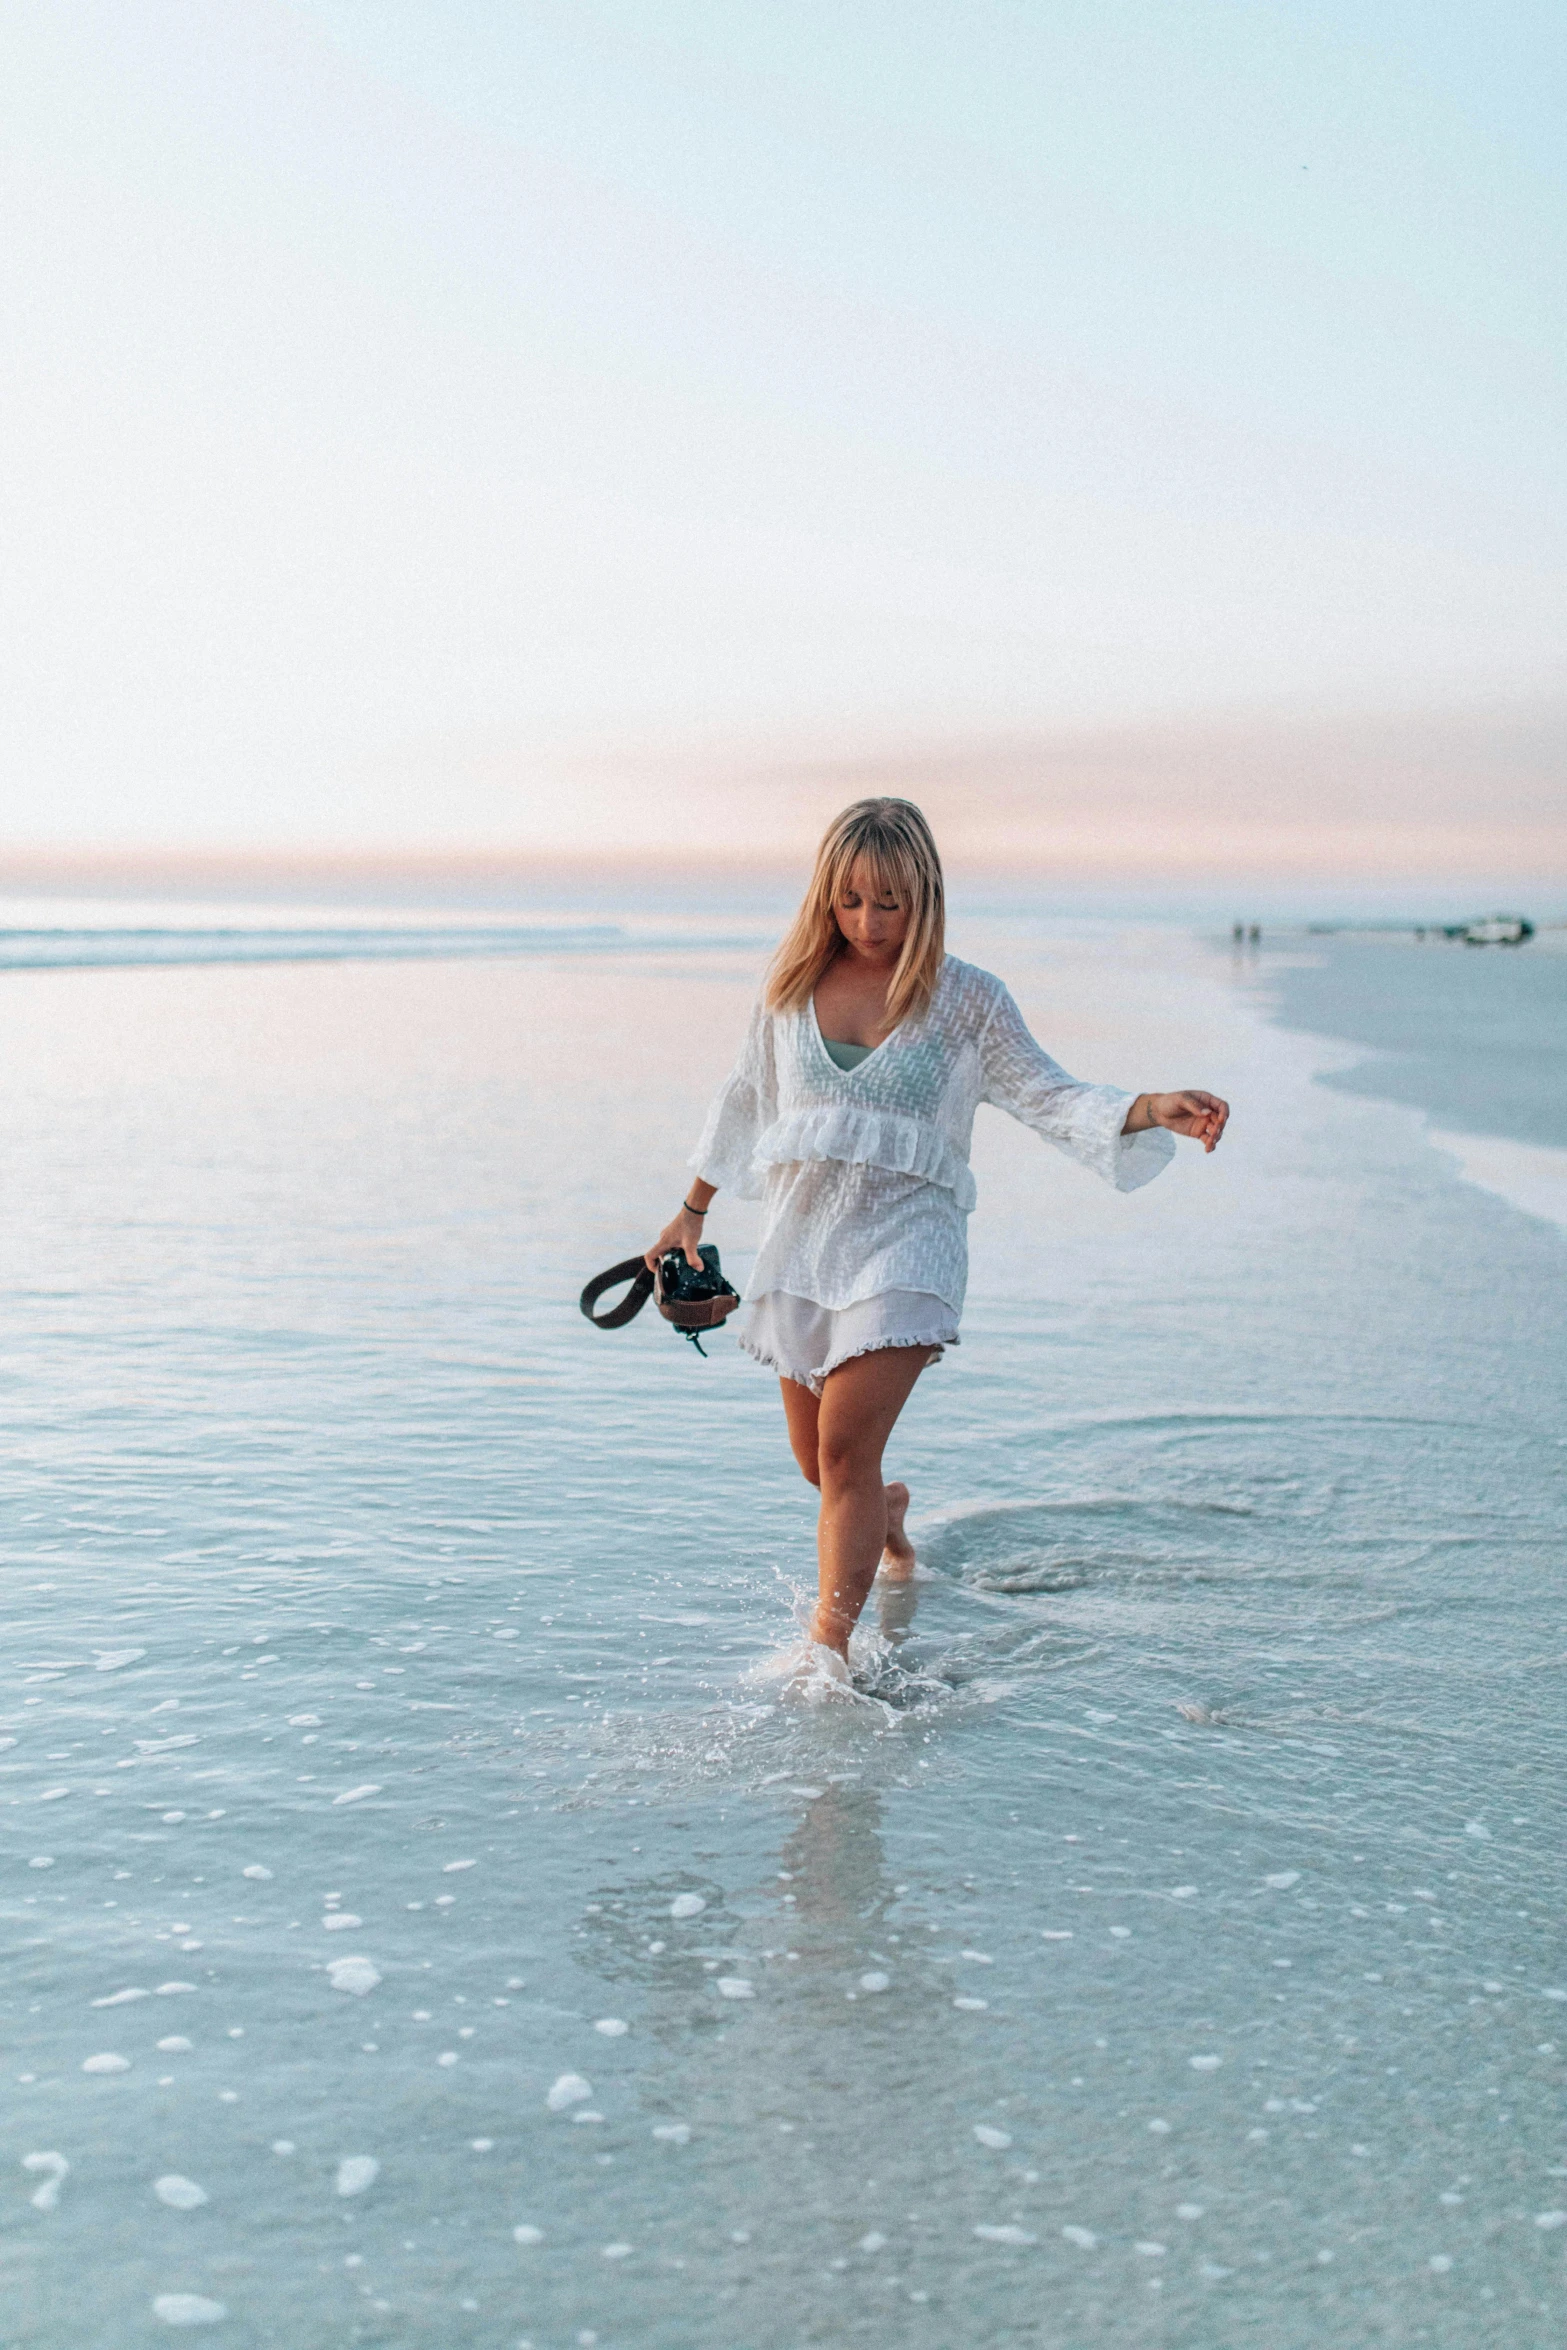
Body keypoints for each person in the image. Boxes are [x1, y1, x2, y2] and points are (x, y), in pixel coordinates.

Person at [645, 799, 1228, 1672]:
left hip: (908, 1245)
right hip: (805, 1242)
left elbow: (1048, 1094)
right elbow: (741, 1097)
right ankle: (889, 1522)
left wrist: (1146, 1107)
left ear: (924, 894)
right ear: (824, 898)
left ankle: (826, 1656)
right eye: (849, 901)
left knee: (844, 1454)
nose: (869, 923)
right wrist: (690, 1209)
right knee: (821, 1468)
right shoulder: (790, 990)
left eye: (890, 901)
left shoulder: (968, 1001)